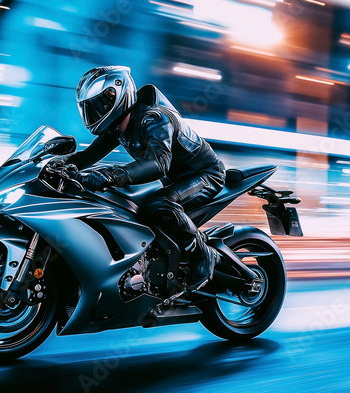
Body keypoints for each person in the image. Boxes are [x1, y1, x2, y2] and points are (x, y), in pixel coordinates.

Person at [46, 66, 225, 290]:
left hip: (205, 174)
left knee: (160, 205)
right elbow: (89, 155)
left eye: (100, 103)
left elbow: (158, 164)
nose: (94, 111)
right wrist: (57, 163)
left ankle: (203, 253)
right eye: (89, 107)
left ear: (119, 96)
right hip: (175, 181)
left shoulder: (154, 118)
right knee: (129, 207)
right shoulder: (117, 128)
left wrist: (107, 175)